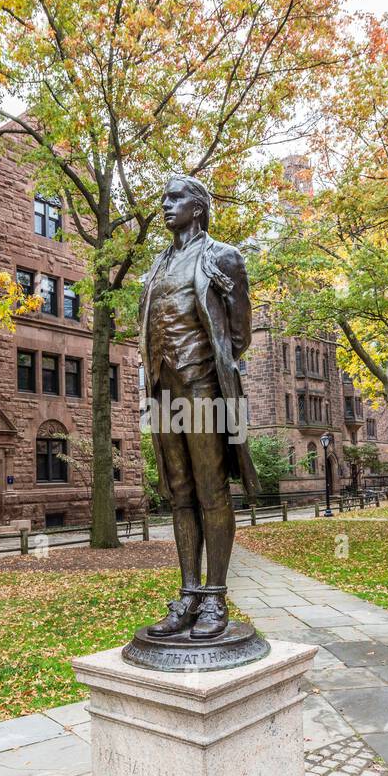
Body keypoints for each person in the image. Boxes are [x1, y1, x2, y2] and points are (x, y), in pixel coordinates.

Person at [139, 174, 258, 639]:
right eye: (163, 198)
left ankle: (214, 598)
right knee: (179, 491)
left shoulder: (222, 257)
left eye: (175, 198)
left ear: (199, 207)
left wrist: (212, 367)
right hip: (163, 390)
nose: (165, 206)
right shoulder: (155, 265)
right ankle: (188, 593)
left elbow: (240, 332)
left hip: (204, 388)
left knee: (211, 490)